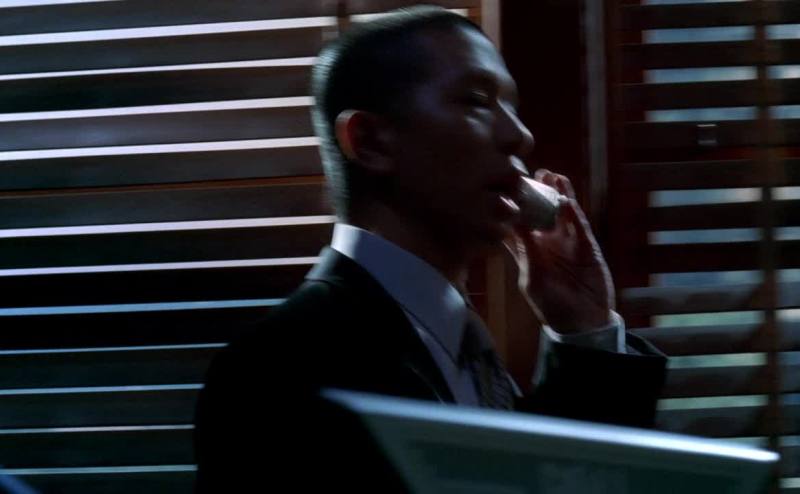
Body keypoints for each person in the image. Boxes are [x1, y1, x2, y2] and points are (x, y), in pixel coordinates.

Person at [194, 6, 667, 492]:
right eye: (477, 100)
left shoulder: (464, 348)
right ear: (370, 142)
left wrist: (585, 330)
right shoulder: (274, 371)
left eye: (511, 106)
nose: (519, 135)